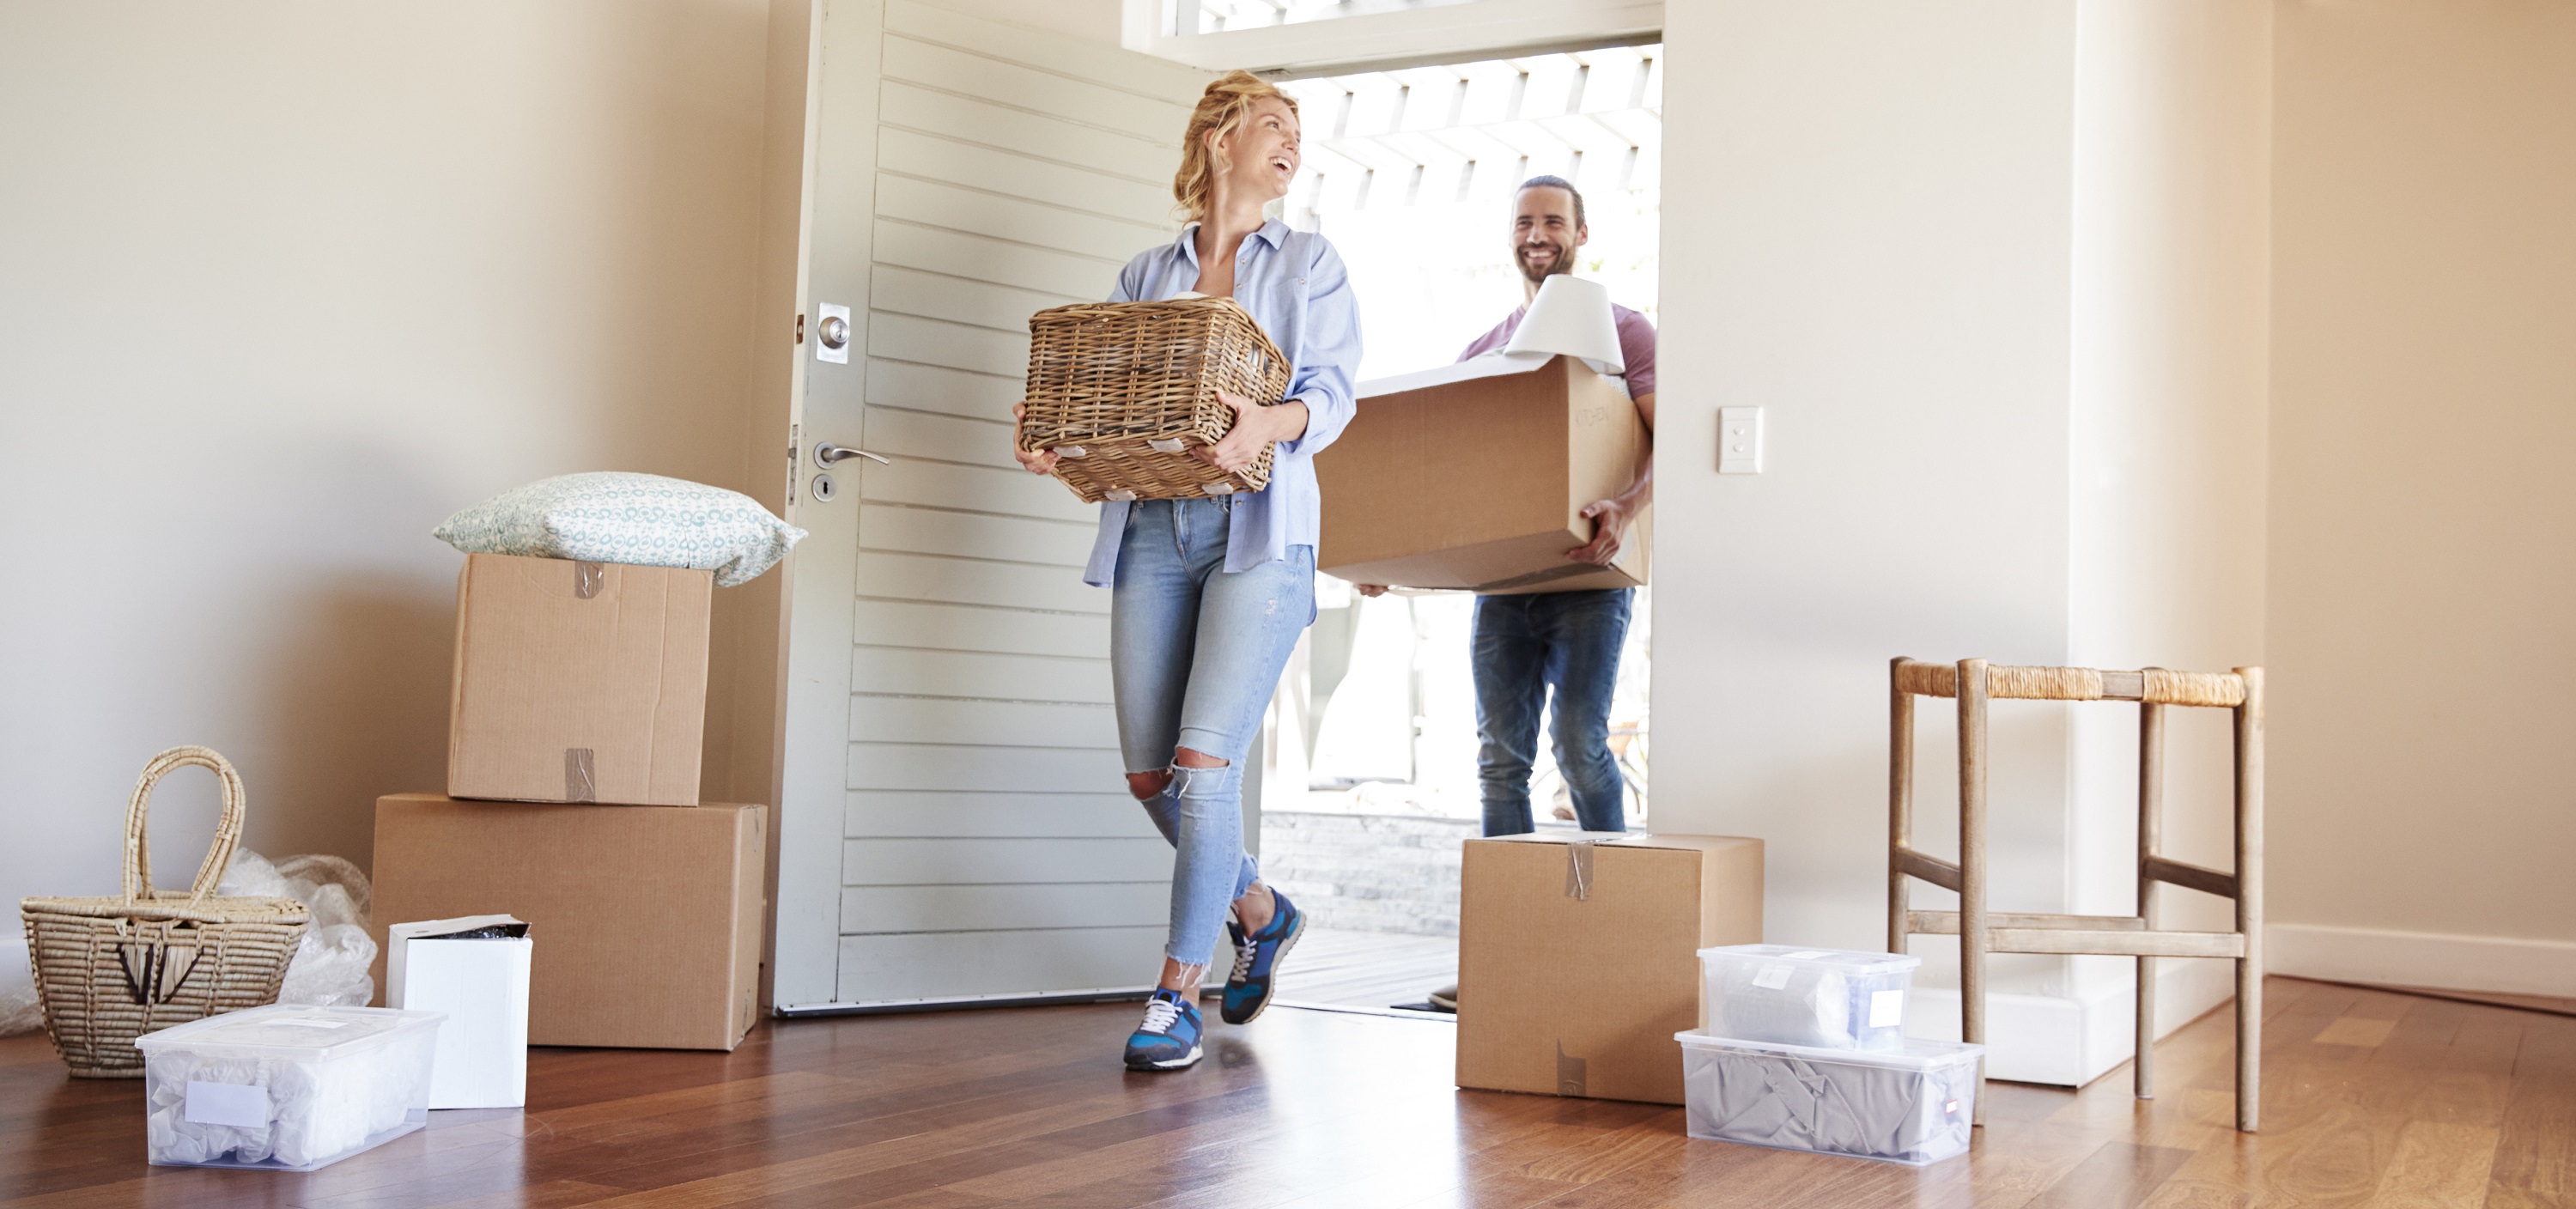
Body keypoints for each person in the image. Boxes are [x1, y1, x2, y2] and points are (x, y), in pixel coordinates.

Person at [1012, 71, 1361, 1072]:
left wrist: (1268, 420)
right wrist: (1059, 444)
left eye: (1300, 131)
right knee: (1149, 775)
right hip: (1154, 535)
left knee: (1206, 767)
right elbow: (1117, 405)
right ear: (1219, 139)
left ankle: (1176, 995)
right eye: (1273, 125)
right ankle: (1262, 907)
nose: (1293, 142)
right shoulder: (1144, 274)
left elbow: (1333, 393)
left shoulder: (1309, 264)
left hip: (1262, 536)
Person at [1359, 176, 1654, 1013]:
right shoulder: (1488, 348)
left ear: (1582, 234)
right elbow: (1444, 471)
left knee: (1580, 742)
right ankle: (1505, 957)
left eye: (1553, 221)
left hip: (1589, 578)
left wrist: (1626, 508)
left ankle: (1617, 938)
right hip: (1503, 591)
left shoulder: (1625, 330)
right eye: (1524, 221)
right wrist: (1389, 553)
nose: (1538, 233)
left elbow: (1663, 437)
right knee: (1498, 759)